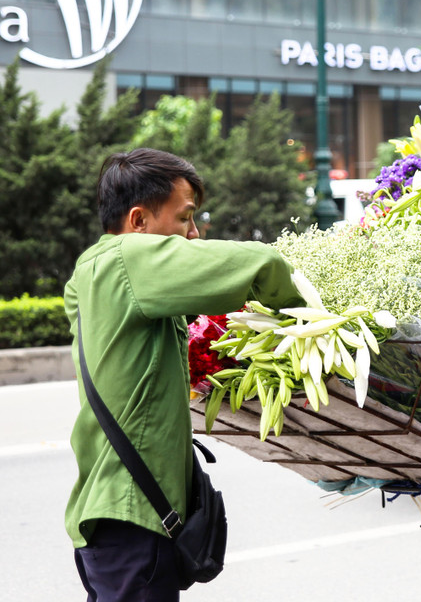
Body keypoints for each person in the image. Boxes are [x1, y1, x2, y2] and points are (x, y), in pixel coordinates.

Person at [64, 148, 303, 601]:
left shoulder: (87, 274)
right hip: (132, 522)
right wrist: (308, 313)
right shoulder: (128, 260)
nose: (194, 234)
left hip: (108, 519)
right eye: (185, 218)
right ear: (138, 221)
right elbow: (261, 263)